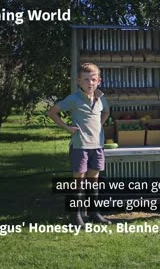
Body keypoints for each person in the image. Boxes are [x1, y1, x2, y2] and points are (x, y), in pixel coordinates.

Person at [47, 63, 111, 227]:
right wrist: (67, 128)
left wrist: (100, 125)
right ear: (78, 81)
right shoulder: (73, 99)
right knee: (79, 182)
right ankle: (75, 217)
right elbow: (52, 112)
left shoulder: (101, 98)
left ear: (99, 81)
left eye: (93, 79)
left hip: (97, 146)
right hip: (80, 146)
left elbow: (106, 112)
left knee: (93, 181)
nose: (90, 83)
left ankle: (94, 213)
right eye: (86, 80)